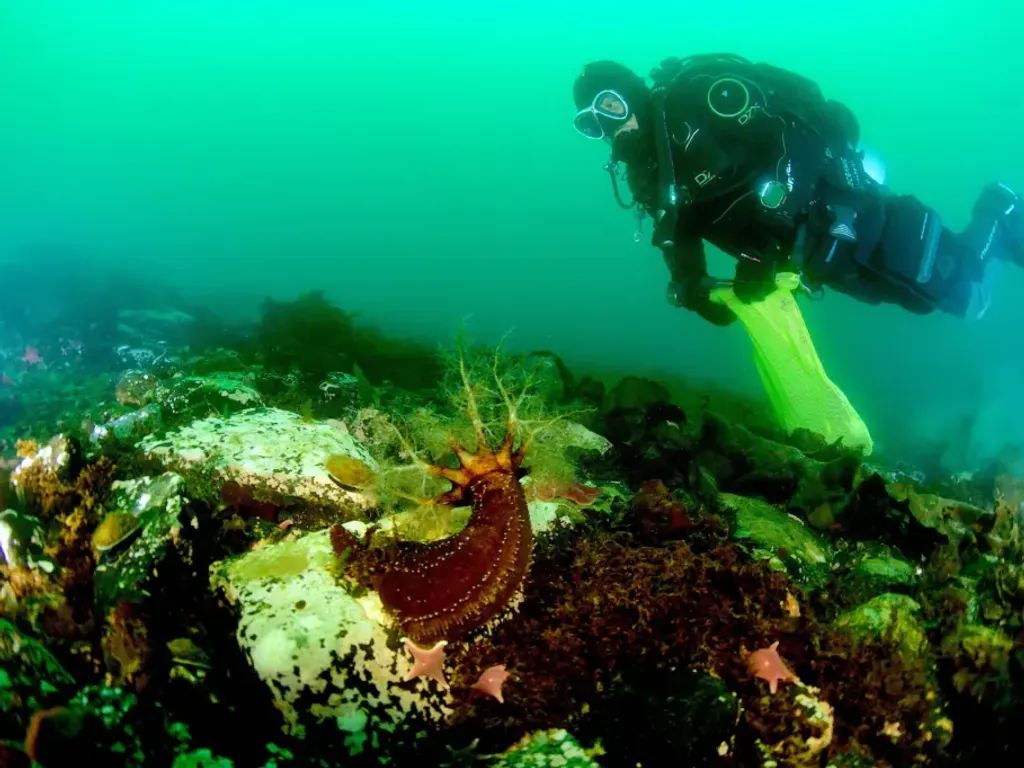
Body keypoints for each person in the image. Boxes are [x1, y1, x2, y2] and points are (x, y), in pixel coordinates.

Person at [571, 54, 1023, 326]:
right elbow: (678, 231)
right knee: (920, 303)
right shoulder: (649, 175)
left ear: (631, 91)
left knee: (967, 296)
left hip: (850, 212)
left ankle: (998, 210)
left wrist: (764, 237)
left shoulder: (699, 101)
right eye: (593, 123)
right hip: (812, 253)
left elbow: (798, 140)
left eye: (611, 105)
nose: (610, 125)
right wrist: (691, 285)